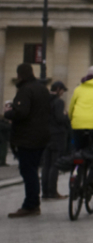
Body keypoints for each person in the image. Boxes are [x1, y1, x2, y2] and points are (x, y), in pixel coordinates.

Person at [5, 64, 51, 217]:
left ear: (20, 75)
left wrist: (9, 113)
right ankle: (33, 204)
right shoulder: (43, 89)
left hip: (28, 137)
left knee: (28, 171)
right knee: (32, 170)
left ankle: (31, 205)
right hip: (42, 136)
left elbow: (22, 112)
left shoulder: (26, 89)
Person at [41, 81, 71, 200]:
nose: (63, 93)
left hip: (45, 135)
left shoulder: (44, 100)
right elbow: (59, 118)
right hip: (57, 136)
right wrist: (66, 117)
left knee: (46, 165)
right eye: (62, 90)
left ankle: (45, 192)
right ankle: (53, 191)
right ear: (58, 89)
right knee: (55, 164)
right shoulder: (58, 102)